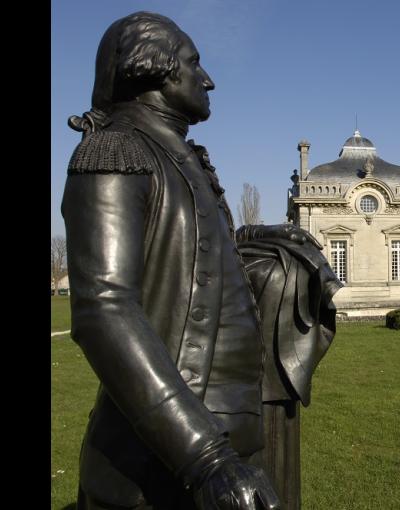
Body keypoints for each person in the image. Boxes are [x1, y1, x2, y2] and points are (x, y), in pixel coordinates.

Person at [62, 11, 334, 509]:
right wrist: (206, 459)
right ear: (154, 69)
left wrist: (255, 237)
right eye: (193, 63)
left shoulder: (181, 156)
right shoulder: (114, 151)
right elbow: (104, 311)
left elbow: (196, 257)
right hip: (167, 464)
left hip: (232, 449)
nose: (207, 79)